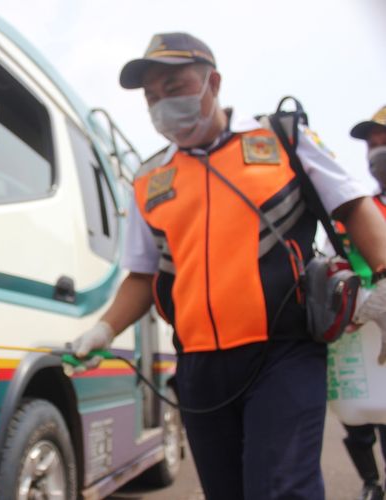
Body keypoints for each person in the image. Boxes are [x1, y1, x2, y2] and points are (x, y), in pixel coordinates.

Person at [72, 33, 386, 500]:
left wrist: (383, 277)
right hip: (199, 366)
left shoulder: (281, 137)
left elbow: (354, 205)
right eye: (152, 98)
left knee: (282, 490)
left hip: (284, 352)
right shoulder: (149, 179)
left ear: (212, 82)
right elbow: (142, 275)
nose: (162, 105)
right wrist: (102, 330)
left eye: (175, 87)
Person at [340, 106, 386, 500]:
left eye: (384, 141)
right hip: (362, 333)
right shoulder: (358, 213)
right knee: (358, 420)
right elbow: (333, 263)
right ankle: (372, 482)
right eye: (372, 145)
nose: (377, 151)